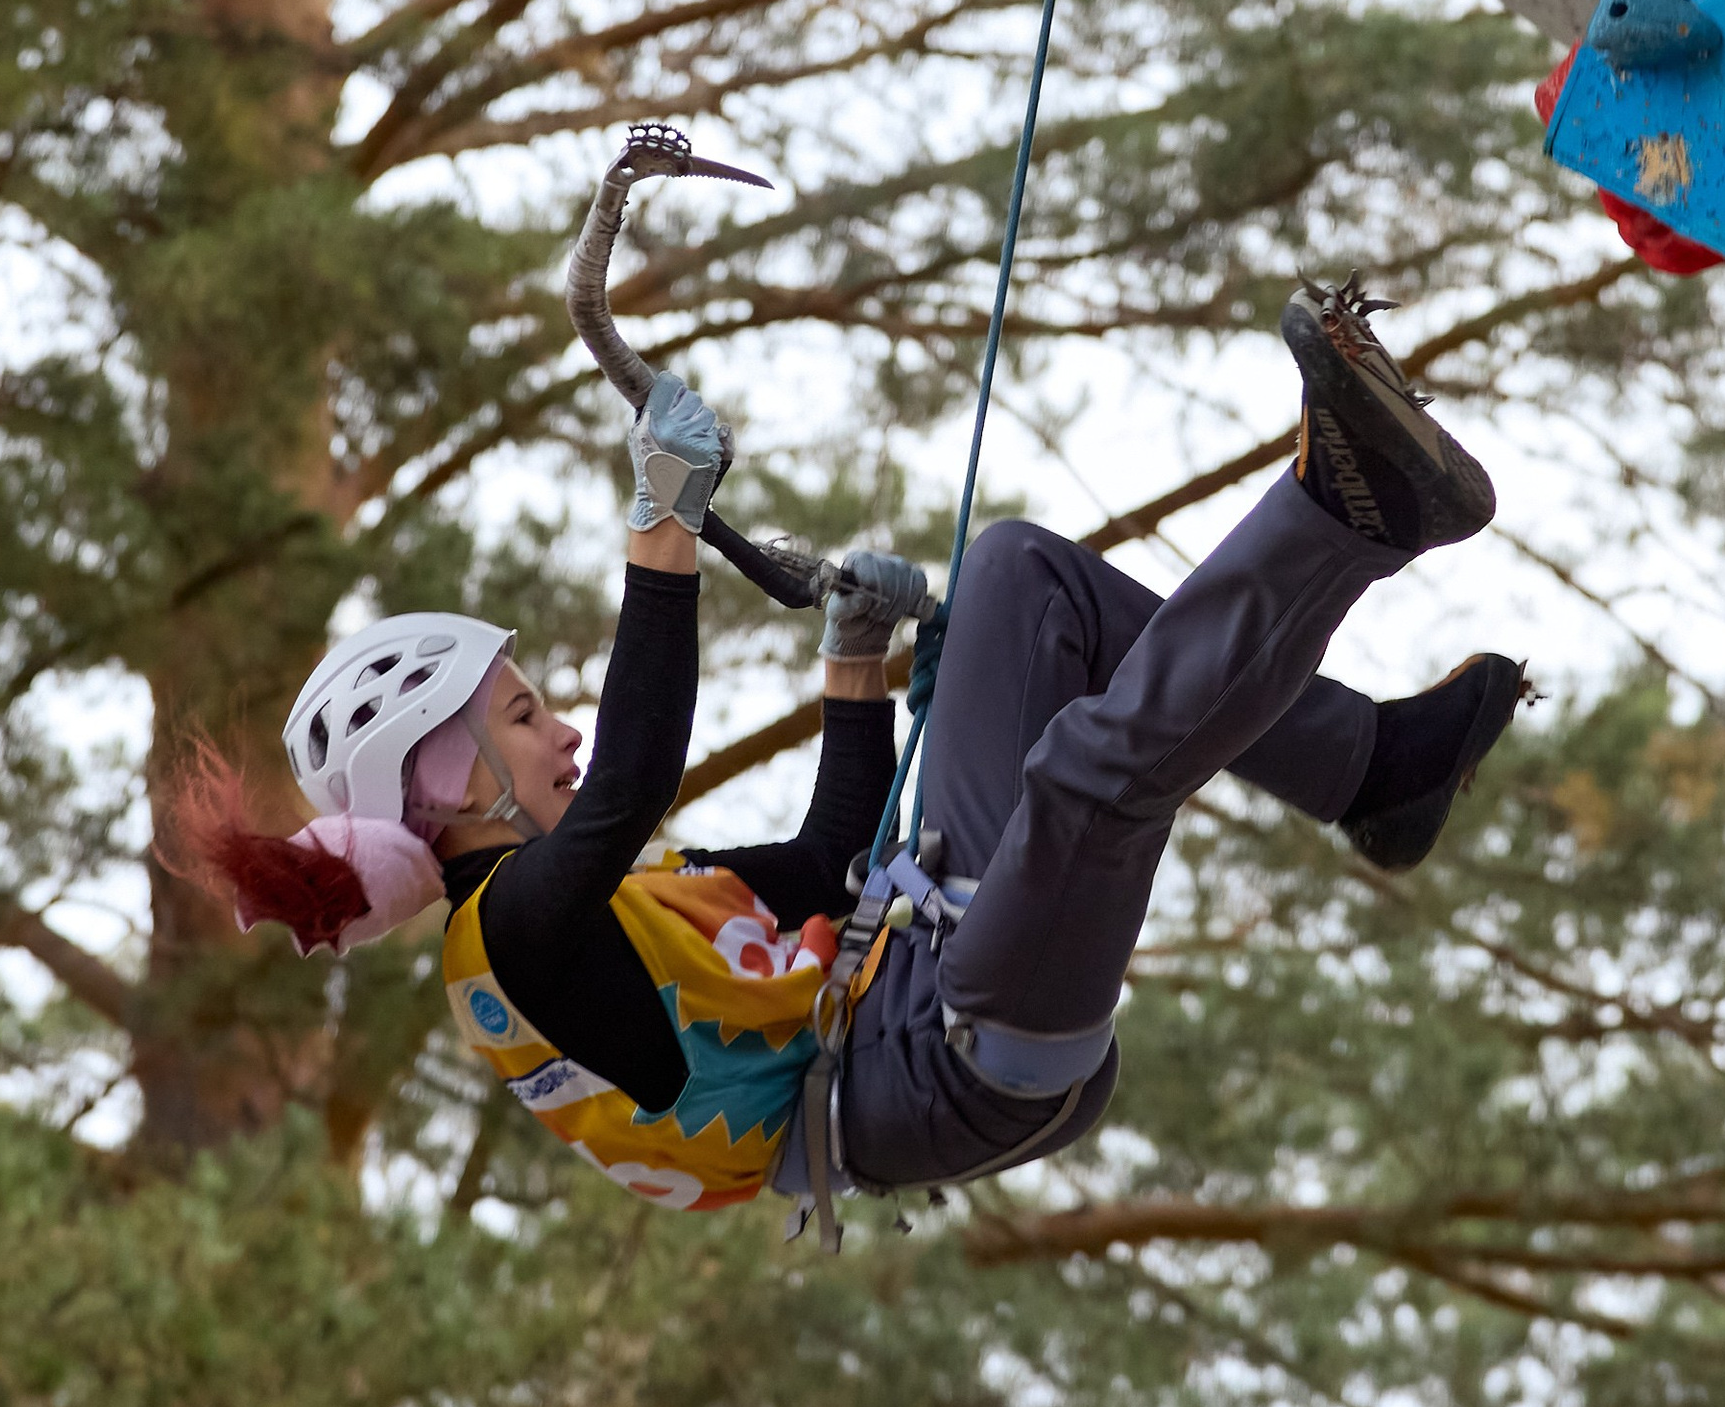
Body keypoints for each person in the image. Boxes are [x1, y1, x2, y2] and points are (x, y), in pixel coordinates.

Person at [176, 282, 1524, 1214]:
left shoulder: (635, 915)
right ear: (450, 783)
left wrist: (855, 668)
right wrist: (661, 526)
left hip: (926, 976)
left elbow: (831, 862)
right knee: (1082, 782)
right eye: (523, 718)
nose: (563, 727)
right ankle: (1347, 515)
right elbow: (639, 768)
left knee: (1015, 582)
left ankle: (1374, 772)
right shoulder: (517, 936)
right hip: (943, 1065)